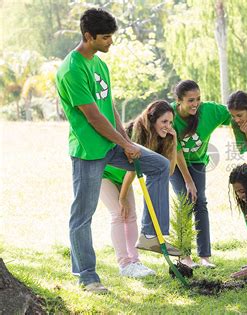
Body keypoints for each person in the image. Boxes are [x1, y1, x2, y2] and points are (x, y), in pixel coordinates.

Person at [55, 8, 175, 293]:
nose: (111, 42)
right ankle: (87, 276)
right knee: (82, 214)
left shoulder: (99, 64)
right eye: (106, 37)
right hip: (88, 152)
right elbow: (94, 117)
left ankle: (149, 234)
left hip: (112, 143)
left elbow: (109, 110)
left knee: (158, 165)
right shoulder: (72, 69)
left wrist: (127, 141)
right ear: (88, 36)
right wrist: (124, 144)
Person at [99, 100, 179, 278]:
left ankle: (135, 261)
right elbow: (134, 169)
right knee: (118, 214)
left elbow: (169, 170)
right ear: (152, 120)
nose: (168, 126)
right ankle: (124, 264)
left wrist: (174, 142)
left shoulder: (160, 138)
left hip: (124, 177)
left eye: (171, 122)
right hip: (106, 174)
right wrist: (121, 198)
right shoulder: (136, 132)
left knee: (132, 215)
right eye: (164, 122)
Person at [169, 80, 232, 268]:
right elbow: (177, 150)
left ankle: (205, 256)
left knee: (200, 201)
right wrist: (189, 182)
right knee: (185, 200)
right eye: (190, 100)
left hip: (197, 162)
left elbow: (237, 107)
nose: (195, 103)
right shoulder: (170, 114)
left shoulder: (209, 110)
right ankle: (184, 255)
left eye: (198, 99)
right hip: (173, 161)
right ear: (179, 100)